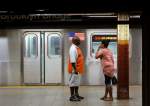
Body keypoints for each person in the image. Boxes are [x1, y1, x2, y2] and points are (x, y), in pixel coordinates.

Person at [68, 36, 84, 101]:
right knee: (72, 83)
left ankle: (76, 95)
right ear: (74, 41)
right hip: (74, 69)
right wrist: (75, 70)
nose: (79, 41)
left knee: (76, 82)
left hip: (78, 69)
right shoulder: (73, 49)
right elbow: (72, 61)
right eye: (78, 40)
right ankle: (72, 96)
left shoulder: (77, 48)